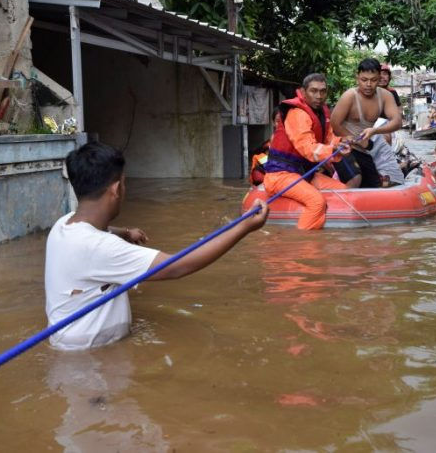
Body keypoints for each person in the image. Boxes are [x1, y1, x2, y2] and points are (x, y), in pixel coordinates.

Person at [45, 142, 269, 350]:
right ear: (115, 190)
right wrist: (244, 228)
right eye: (124, 183)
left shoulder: (63, 225)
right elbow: (177, 266)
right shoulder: (101, 248)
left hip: (71, 346)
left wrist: (124, 232)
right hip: (95, 358)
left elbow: (98, 234)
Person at [263, 73, 353, 230]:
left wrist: (342, 143)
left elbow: (329, 139)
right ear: (303, 92)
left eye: (323, 91)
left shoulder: (322, 112)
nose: (319, 96)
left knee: (343, 191)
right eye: (314, 91)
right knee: (316, 201)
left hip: (303, 173)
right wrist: (333, 149)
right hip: (280, 175)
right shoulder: (297, 113)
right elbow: (307, 148)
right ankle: (304, 247)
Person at [330, 58, 403, 187]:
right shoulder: (349, 96)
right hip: (345, 147)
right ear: (357, 77)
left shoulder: (386, 96)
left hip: (365, 148)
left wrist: (375, 131)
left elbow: (397, 122)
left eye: (374, 80)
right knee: (355, 179)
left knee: (376, 186)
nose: (368, 84)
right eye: (364, 80)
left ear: (379, 78)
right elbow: (335, 124)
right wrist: (352, 139)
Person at [249, 110, 279, 186]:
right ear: (273, 123)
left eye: (284, 121)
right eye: (278, 121)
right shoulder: (263, 150)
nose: (281, 125)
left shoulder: (297, 143)